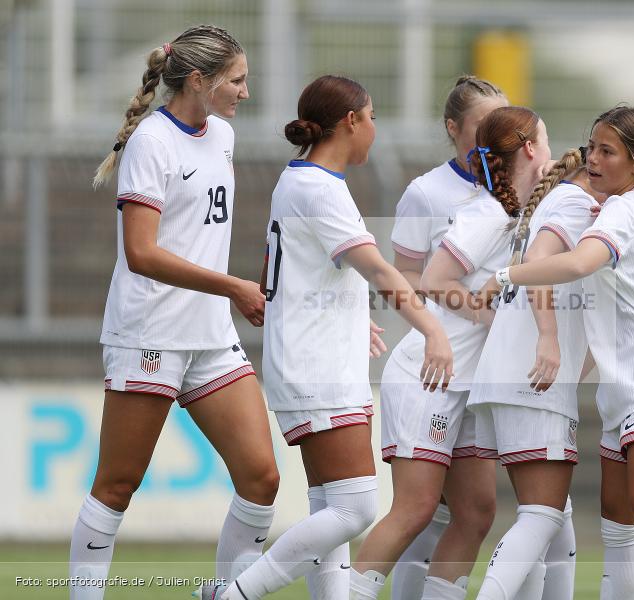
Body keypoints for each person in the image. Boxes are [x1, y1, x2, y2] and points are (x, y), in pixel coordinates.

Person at [199, 75, 454, 600]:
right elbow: (381, 271)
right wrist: (433, 330)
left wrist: (350, 316)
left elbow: (309, 273)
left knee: (331, 507)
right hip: (317, 369)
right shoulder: (318, 188)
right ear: (351, 122)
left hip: (317, 360)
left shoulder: (303, 182)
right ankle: (233, 593)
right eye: (374, 118)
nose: (376, 130)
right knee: (354, 508)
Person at [73, 25, 280, 600]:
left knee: (261, 478)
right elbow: (141, 254)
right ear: (199, 80)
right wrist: (233, 287)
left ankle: (223, 594)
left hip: (209, 335)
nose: (245, 91)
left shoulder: (222, 136)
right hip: (150, 332)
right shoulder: (152, 143)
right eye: (237, 81)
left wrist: (234, 291)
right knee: (117, 485)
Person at [493, 106, 634, 600]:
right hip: (632, 386)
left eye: (607, 150)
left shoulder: (631, 207)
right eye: (592, 146)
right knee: (620, 527)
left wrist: (504, 276)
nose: (593, 158)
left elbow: (576, 264)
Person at [349, 76, 507, 600]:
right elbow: (406, 280)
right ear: (453, 128)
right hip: (430, 370)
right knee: (416, 509)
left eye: (504, 126)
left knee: (478, 512)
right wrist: (475, 310)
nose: (495, 137)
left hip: (479, 379)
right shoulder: (427, 192)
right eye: (484, 126)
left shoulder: (519, 191)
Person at [466, 148, 601, 600]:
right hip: (531, 374)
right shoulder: (577, 204)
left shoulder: (556, 202)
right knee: (541, 516)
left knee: (553, 519)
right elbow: (537, 266)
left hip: (515, 374)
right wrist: (548, 335)